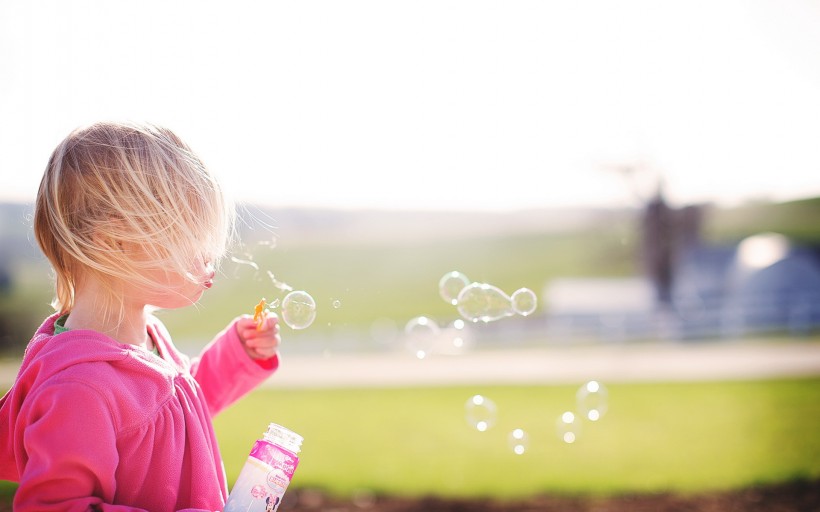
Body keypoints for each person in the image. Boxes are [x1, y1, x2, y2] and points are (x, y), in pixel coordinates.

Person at [0, 121, 281, 510]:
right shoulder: (79, 387)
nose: (208, 258)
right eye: (192, 238)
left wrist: (238, 354)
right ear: (117, 242)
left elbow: (171, 412)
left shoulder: (145, 337)